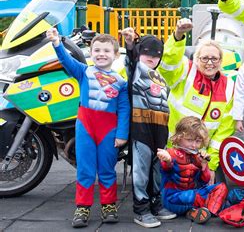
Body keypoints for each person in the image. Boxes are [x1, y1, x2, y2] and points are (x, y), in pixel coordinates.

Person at [46, 28, 130, 228]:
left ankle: (109, 205)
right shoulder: (84, 72)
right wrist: (57, 43)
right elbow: (67, 61)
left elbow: (124, 109)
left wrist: (122, 134)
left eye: (106, 51)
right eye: (97, 50)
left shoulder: (121, 82)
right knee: (85, 169)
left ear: (116, 55)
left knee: (107, 169)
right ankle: (82, 207)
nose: (101, 54)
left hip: (108, 129)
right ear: (90, 53)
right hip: (86, 126)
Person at [158, 18, 235, 184]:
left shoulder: (229, 86)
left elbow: (224, 130)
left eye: (214, 59)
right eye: (204, 58)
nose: (209, 63)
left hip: (203, 155)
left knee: (214, 195)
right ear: (196, 58)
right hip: (175, 150)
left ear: (221, 61)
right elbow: (167, 65)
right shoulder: (186, 71)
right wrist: (178, 36)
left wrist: (211, 164)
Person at [120, 29, 177, 228]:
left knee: (156, 170)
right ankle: (141, 209)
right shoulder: (136, 69)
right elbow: (130, 61)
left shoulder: (159, 76)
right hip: (141, 128)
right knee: (141, 171)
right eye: (146, 53)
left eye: (156, 55)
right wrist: (129, 43)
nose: (151, 58)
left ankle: (155, 204)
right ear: (138, 53)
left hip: (159, 129)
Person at [156, 116, 228, 224]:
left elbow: (204, 181)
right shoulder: (170, 153)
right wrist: (167, 161)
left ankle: (205, 212)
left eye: (198, 141)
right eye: (189, 140)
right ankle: (210, 207)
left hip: (192, 195)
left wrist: (204, 165)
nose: (194, 145)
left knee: (221, 187)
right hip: (173, 198)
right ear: (179, 138)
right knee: (198, 196)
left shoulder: (197, 157)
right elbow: (166, 168)